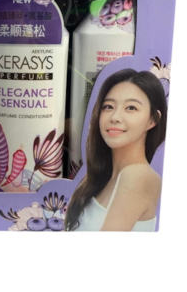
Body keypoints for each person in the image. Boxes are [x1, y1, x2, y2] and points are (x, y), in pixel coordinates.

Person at [65, 68, 167, 231]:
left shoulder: (138, 176)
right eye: (108, 106)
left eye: (131, 108)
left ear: (152, 120)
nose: (115, 117)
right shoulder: (96, 179)